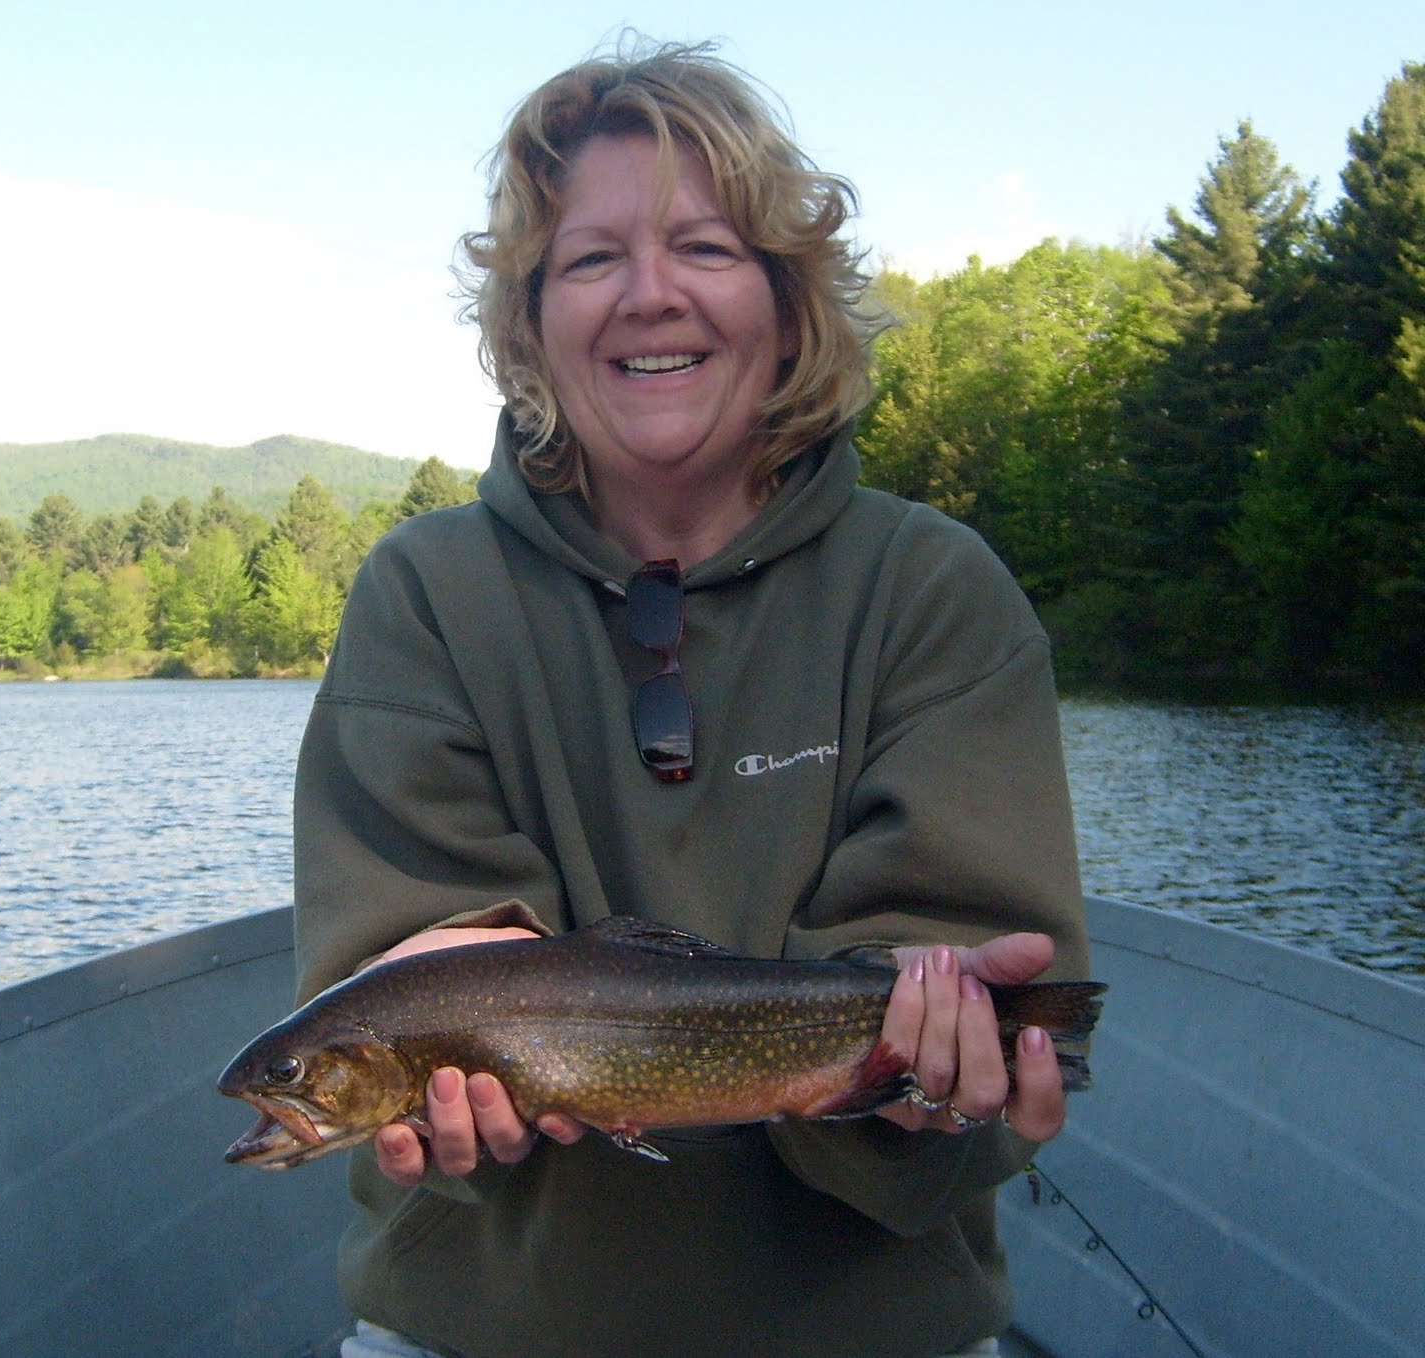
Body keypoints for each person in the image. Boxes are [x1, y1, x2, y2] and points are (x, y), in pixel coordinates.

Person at [293, 39, 1089, 1358]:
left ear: (789, 302)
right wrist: (428, 1001)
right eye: (592, 259)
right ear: (532, 319)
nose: (649, 296)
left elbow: (961, 987)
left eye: (707, 249)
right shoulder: (420, 594)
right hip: (479, 1329)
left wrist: (933, 1080)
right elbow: (408, 951)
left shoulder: (936, 590)